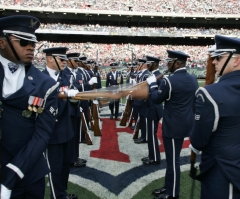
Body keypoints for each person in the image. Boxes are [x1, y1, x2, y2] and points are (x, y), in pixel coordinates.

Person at [0, 15, 58, 199]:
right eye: (24, 42)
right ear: (2, 42)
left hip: (27, 173)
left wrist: (13, 172)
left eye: (34, 43)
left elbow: (41, 134)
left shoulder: (45, 84)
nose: (31, 47)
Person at [190, 35, 240, 199]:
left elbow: (198, 140)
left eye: (219, 57)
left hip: (222, 172)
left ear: (237, 61)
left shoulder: (210, 94)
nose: (213, 62)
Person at [147, 51, 198, 199]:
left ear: (177, 63)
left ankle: (173, 193)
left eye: (169, 62)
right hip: (186, 124)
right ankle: (168, 186)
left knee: (173, 161)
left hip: (173, 126)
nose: (167, 64)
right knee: (171, 160)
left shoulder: (170, 81)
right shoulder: (193, 79)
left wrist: (152, 85)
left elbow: (156, 99)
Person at [42, 47, 80, 199]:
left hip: (66, 129)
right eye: (61, 59)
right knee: (54, 169)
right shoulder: (40, 77)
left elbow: (72, 103)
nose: (65, 62)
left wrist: (75, 100)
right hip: (51, 131)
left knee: (65, 167)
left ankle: (61, 194)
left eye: (65, 59)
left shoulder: (66, 77)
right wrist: (63, 95)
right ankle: (56, 196)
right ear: (50, 58)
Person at [139, 56, 163, 165]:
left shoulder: (158, 76)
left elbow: (156, 95)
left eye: (148, 63)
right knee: (150, 134)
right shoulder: (154, 75)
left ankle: (155, 158)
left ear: (154, 64)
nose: (147, 65)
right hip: (149, 108)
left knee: (152, 135)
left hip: (153, 109)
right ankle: (151, 155)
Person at [65, 53, 86, 168]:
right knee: (70, 135)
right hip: (69, 109)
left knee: (76, 135)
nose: (77, 62)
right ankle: (70, 159)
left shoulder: (77, 73)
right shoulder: (64, 73)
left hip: (77, 107)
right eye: (75, 60)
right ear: (69, 61)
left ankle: (75, 157)